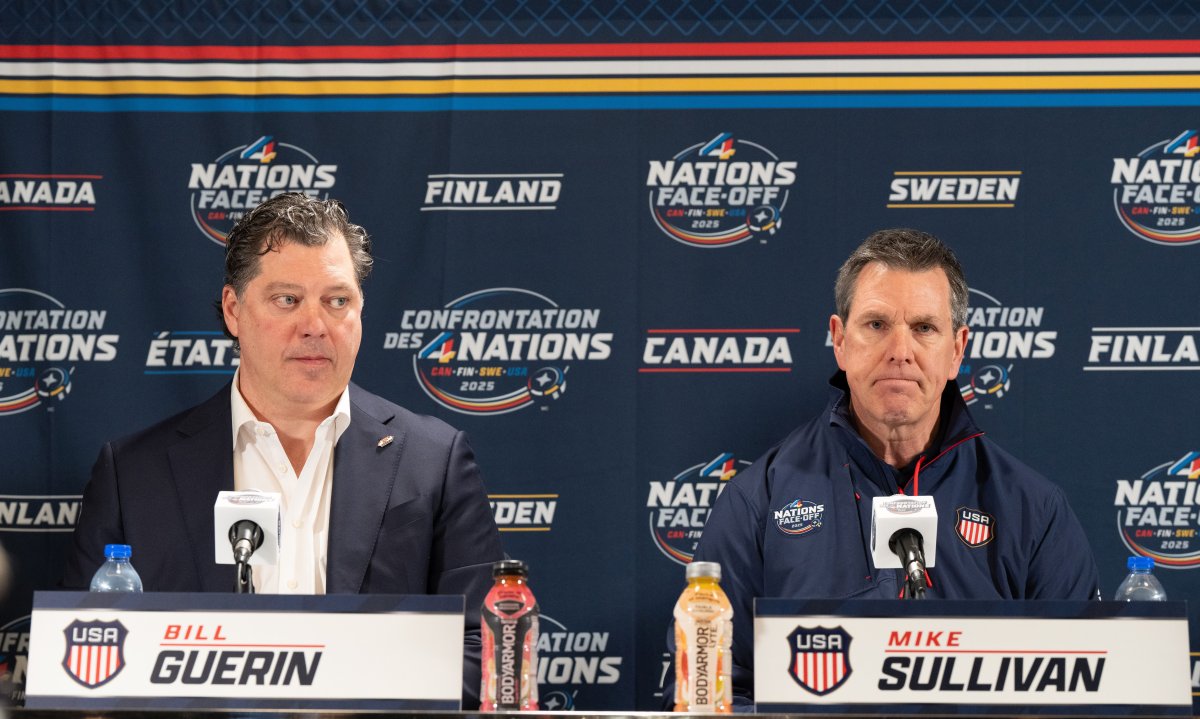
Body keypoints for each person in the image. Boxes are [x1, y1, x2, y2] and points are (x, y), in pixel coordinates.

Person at [61, 192, 504, 707]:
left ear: (360, 312)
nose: (315, 325)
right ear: (234, 310)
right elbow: (81, 659)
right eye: (287, 299)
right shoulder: (133, 474)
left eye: (337, 300)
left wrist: (347, 699)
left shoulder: (434, 460)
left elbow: (488, 653)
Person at [674, 228, 1099, 709]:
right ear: (838, 339)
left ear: (957, 349)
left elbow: (1082, 696)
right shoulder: (759, 502)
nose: (900, 350)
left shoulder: (1033, 510)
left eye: (924, 328)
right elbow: (711, 696)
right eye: (876, 325)